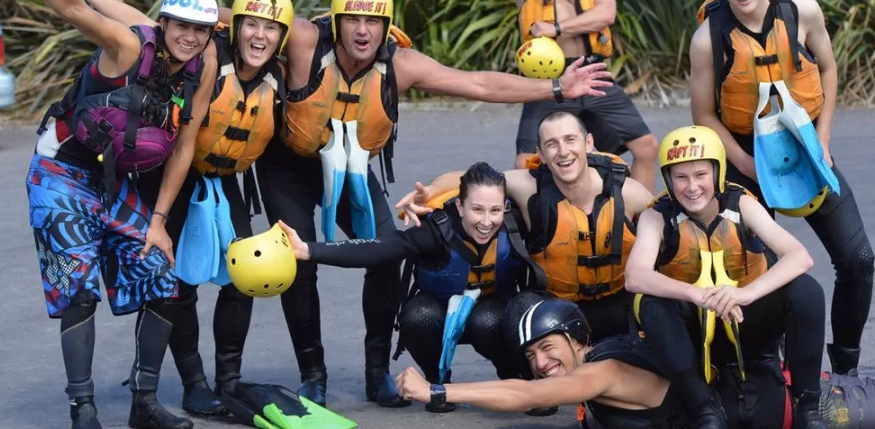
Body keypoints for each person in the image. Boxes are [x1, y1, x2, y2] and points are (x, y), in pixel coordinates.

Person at [215, 0, 614, 408]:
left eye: (373, 22)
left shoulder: (400, 64)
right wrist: (175, 28)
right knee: (296, 262)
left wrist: (555, 88)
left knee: (390, 254)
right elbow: (236, 17)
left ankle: (375, 372)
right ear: (337, 21)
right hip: (287, 167)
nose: (363, 31)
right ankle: (313, 372)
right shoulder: (306, 41)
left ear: (386, 26)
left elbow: (477, 84)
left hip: (349, 167)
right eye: (353, 20)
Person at [46, 0, 298, 418]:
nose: (259, 36)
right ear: (232, 27)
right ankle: (191, 383)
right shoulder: (203, 55)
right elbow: (135, 22)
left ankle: (227, 380)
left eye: (271, 29)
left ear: (281, 38)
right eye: (250, 25)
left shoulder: (275, 78)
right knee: (173, 280)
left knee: (244, 276)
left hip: (225, 182)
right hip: (172, 177)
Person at [0, 0, 219, 429]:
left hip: (114, 184)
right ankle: (84, 410)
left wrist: (159, 220)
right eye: (179, 25)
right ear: (163, 23)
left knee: (162, 276)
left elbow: (186, 144)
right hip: (62, 169)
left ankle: (144, 404)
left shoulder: (199, 67)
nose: (188, 36)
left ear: (209, 34)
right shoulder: (127, 44)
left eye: (199, 29)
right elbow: (75, 11)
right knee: (78, 288)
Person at [689, 0, 873, 376]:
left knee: (858, 259)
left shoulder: (802, 11)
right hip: (745, 154)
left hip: (805, 144)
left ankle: (845, 364)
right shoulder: (706, 38)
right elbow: (704, 116)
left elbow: (828, 70)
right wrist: (747, 164)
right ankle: (772, 368)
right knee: (757, 272)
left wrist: (823, 139)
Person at [280, 162, 545, 413]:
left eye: (495, 210)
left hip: (493, 313)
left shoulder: (516, 224)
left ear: (505, 206)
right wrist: (309, 250)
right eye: (477, 210)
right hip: (438, 313)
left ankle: (516, 378)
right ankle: (439, 383)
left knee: (489, 319)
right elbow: (381, 250)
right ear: (460, 206)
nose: (486, 222)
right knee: (419, 317)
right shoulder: (435, 229)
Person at [397, 110, 653, 353]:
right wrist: (430, 192)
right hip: (556, 306)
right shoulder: (528, 186)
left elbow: (669, 230)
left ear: (588, 143)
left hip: (619, 306)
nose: (563, 151)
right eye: (552, 144)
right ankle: (534, 387)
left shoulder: (629, 193)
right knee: (519, 308)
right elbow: (468, 179)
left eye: (570, 140)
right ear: (540, 153)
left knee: (661, 306)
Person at [624, 125, 826, 428]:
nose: (691, 187)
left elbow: (800, 256)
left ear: (717, 174)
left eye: (700, 175)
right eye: (680, 177)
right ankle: (705, 408)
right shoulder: (657, 215)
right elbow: (635, 277)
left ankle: (807, 407)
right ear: (668, 179)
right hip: (691, 337)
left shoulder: (741, 202)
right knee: (651, 302)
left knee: (807, 292)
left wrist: (745, 294)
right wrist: (698, 295)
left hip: (744, 322)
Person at [499, 0, 658, 190]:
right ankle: (540, 227)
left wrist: (556, 28)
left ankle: (639, 221)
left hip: (591, 69)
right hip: (549, 77)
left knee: (647, 147)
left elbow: (606, 14)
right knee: (526, 162)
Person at [395, 298, 689, 427]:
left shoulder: (604, 371)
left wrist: (436, 391)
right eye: (531, 355)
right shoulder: (599, 358)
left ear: (577, 338)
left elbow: (527, 394)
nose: (541, 363)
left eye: (547, 346)